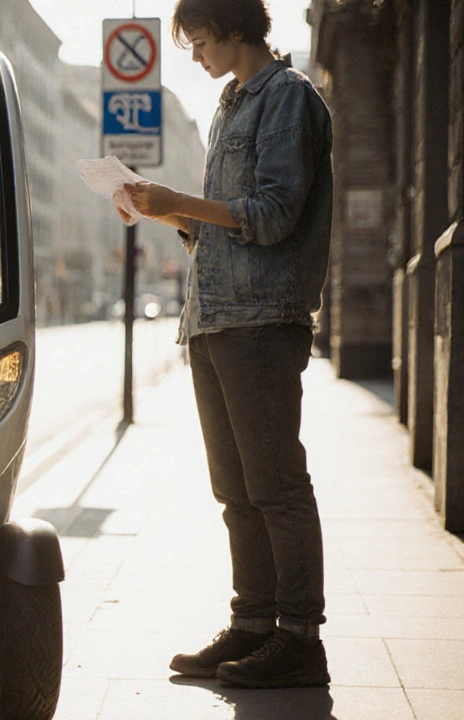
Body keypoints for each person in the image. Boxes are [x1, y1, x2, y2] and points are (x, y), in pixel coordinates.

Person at [123, 0, 334, 689]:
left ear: (236, 28)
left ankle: (300, 639)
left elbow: (272, 216)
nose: (194, 54)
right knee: (235, 490)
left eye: (200, 40)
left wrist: (183, 197)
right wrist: (170, 213)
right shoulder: (229, 104)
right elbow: (223, 229)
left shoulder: (288, 100)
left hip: (262, 320)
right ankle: (253, 625)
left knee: (276, 486)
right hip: (212, 318)